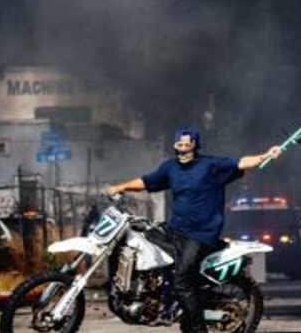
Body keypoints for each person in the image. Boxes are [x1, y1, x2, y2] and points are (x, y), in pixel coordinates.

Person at [106, 127, 281, 333]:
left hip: (200, 234)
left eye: (187, 145)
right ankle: (156, 299)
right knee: (144, 242)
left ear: (195, 146)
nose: (183, 148)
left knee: (181, 280)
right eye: (179, 145)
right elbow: (145, 181)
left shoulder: (211, 165)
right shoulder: (170, 167)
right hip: (175, 229)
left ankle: (198, 329)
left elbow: (242, 162)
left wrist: (266, 155)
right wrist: (120, 187)